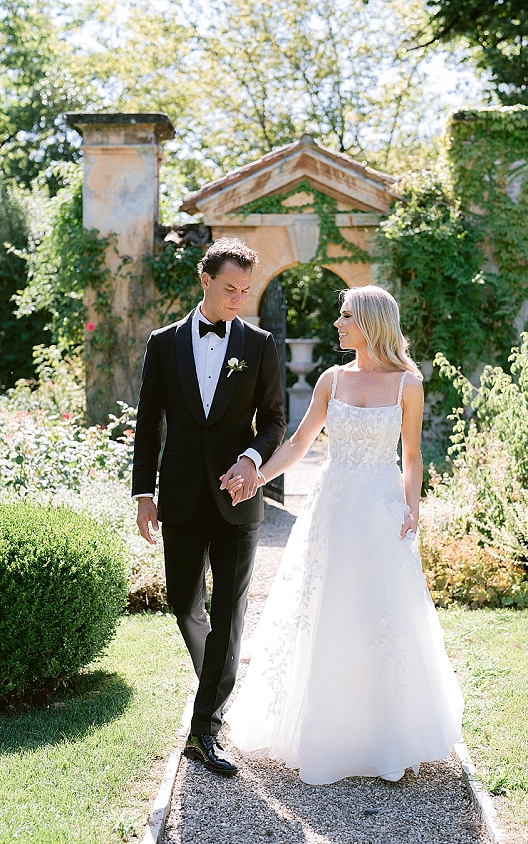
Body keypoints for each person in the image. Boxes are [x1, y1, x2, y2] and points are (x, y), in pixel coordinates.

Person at [222, 283, 464, 786]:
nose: (337, 323)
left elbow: (413, 457)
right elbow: (297, 443)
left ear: (371, 322)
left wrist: (410, 509)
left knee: (377, 615)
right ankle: (326, 733)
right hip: (331, 510)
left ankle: (383, 737)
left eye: (345, 316)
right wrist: (255, 478)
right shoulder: (331, 379)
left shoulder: (408, 384)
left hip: (379, 512)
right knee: (326, 612)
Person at [133, 237, 287, 777]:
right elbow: (148, 422)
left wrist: (252, 460)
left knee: (230, 613)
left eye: (245, 291)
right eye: (229, 289)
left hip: (236, 500)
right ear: (205, 280)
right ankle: (215, 682)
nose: (237, 300)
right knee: (183, 605)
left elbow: (274, 420)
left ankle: (206, 728)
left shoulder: (261, 344)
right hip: (177, 496)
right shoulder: (163, 342)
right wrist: (144, 494)